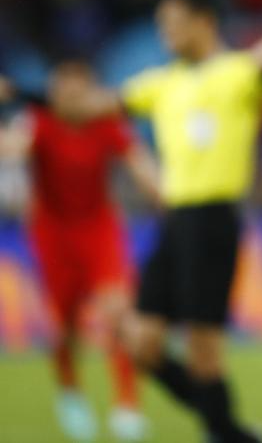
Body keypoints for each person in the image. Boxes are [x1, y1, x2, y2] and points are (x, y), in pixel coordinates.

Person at [48, 0, 262, 443]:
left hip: (214, 219)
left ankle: (225, 432)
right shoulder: (161, 84)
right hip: (174, 221)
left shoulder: (236, 73)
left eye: (174, 23)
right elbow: (84, 110)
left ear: (204, 21)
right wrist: (28, 95)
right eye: (163, 24)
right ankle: (224, 426)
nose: (166, 33)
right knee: (140, 342)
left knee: (203, 348)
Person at [0, 60, 161, 442]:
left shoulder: (107, 123)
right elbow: (12, 149)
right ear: (53, 94)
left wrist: (168, 197)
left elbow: (140, 163)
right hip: (52, 234)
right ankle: (70, 390)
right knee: (65, 326)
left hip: (100, 229)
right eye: (63, 92)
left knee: (118, 313)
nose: (71, 100)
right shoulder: (38, 121)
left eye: (79, 93)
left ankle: (127, 405)